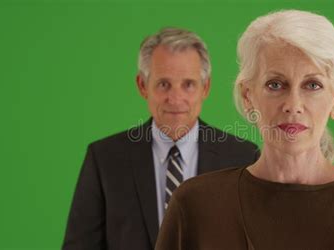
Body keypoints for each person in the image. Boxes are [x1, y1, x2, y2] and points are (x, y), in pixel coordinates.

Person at [156, 10, 334, 250]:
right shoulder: (195, 205)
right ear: (248, 96)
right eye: (275, 84)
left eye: (312, 85)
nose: (293, 105)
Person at [62, 27, 260, 249]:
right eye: (164, 84)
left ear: (205, 88)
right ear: (142, 85)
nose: (176, 98)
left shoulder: (243, 157)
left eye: (188, 84)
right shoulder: (105, 160)